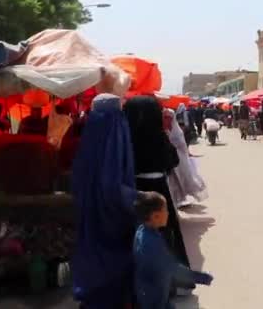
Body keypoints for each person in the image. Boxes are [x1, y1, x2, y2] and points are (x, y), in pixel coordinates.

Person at [71, 94, 137, 308]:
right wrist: (134, 200)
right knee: (112, 266)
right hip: (112, 212)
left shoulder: (91, 132)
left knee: (93, 256)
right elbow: (111, 184)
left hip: (89, 208)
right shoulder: (115, 129)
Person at [124, 96, 191, 270]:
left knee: (136, 232)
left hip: (134, 189)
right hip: (159, 188)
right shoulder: (160, 137)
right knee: (165, 231)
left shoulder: (125, 139)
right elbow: (173, 161)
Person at [134, 191, 213, 309]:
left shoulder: (142, 232)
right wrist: (202, 278)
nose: (168, 213)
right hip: (154, 297)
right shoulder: (151, 243)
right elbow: (172, 268)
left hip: (148, 291)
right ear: (155, 216)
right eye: (165, 210)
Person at [164, 109, 208, 208]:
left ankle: (177, 200)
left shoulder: (170, 118)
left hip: (174, 153)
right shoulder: (169, 117)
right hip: (172, 153)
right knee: (175, 178)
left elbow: (179, 140)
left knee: (176, 177)